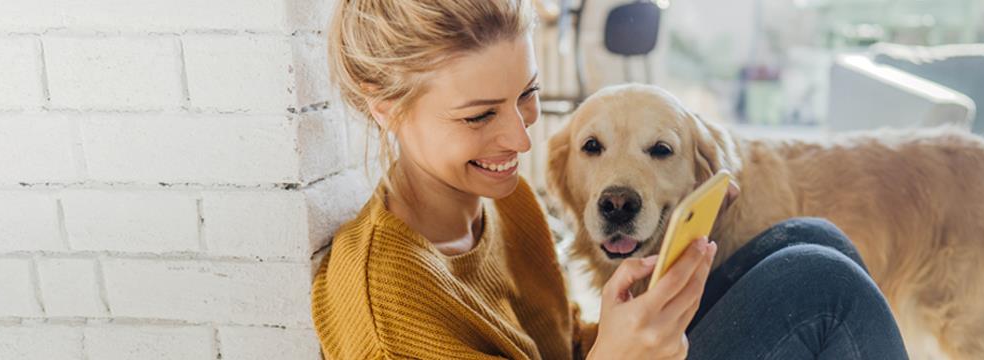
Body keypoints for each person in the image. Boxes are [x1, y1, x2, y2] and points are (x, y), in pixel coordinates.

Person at [310, 1, 910, 359]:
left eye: (527, 97)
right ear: (386, 106)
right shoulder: (386, 309)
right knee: (820, 284)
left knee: (807, 241)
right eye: (479, 115)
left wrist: (638, 320)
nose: (521, 139)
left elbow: (563, 343)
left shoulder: (504, 202)